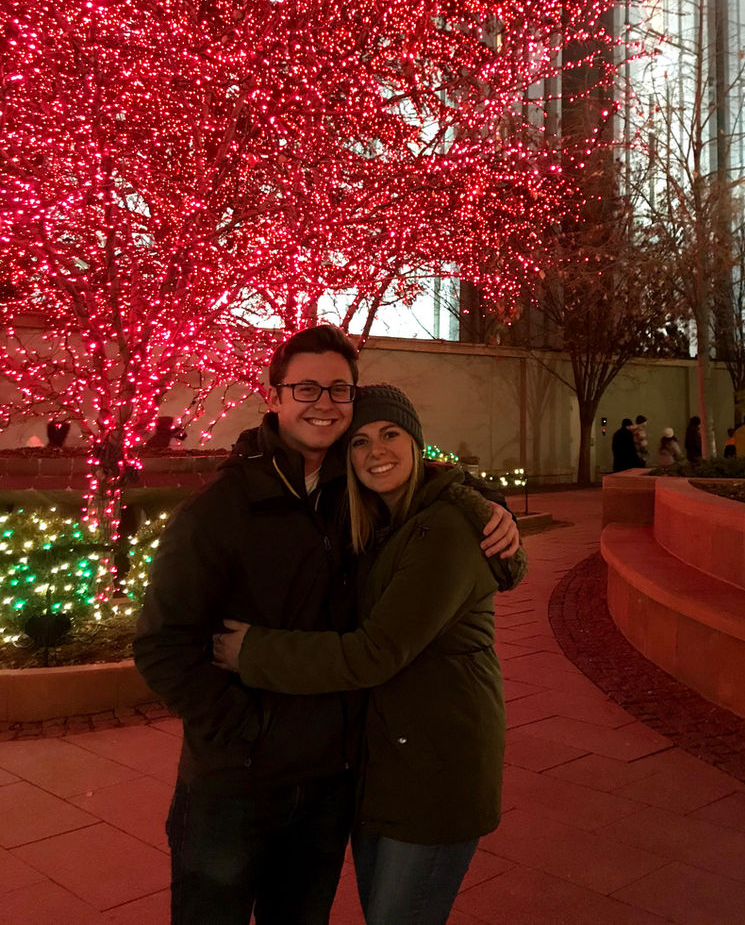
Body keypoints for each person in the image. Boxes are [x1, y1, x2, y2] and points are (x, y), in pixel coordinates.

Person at [133, 325, 519, 925]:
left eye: (339, 390)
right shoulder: (216, 513)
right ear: (274, 396)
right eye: (306, 387)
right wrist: (244, 731)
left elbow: (424, 474)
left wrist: (482, 501)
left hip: (326, 787)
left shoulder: (355, 493)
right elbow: (162, 648)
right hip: (234, 784)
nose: (324, 403)